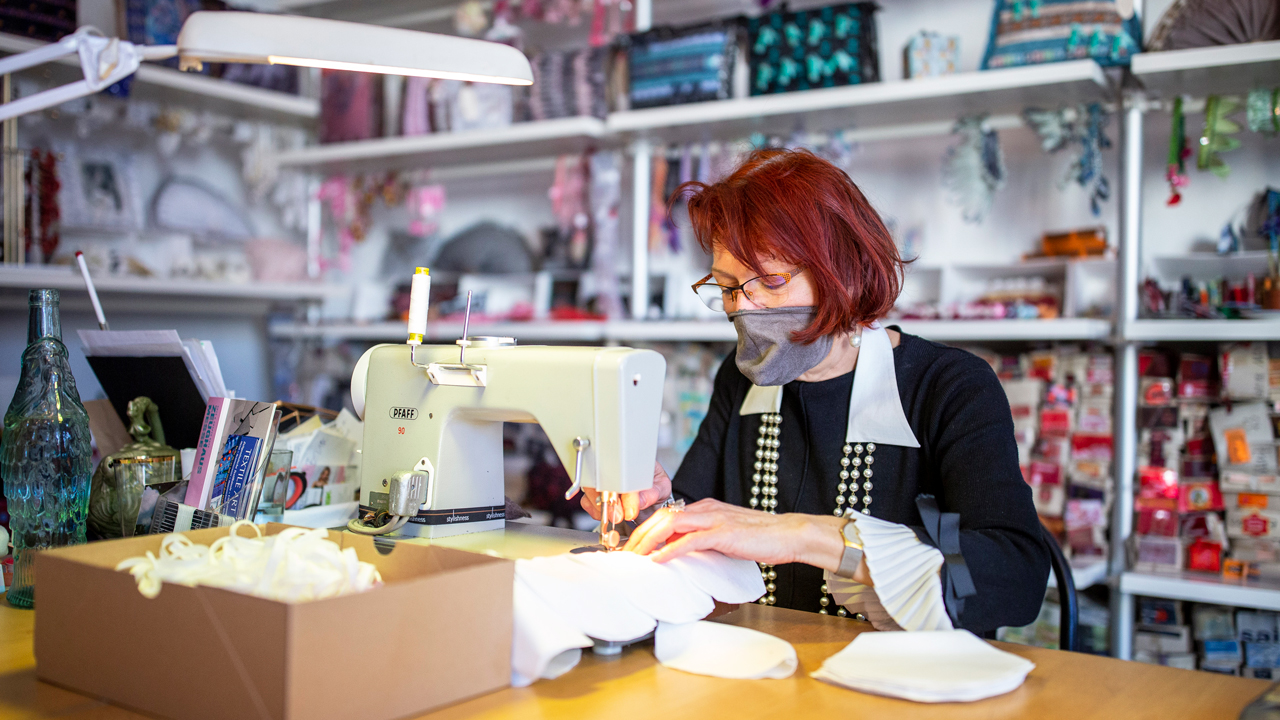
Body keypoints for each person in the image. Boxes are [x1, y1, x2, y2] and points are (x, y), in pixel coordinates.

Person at [581, 148, 1049, 635]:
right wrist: (652, 509)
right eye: (728, 286)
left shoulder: (950, 387)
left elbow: (1017, 579)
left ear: (841, 272)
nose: (744, 307)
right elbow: (699, 524)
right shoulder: (738, 381)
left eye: (771, 280)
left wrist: (801, 533)